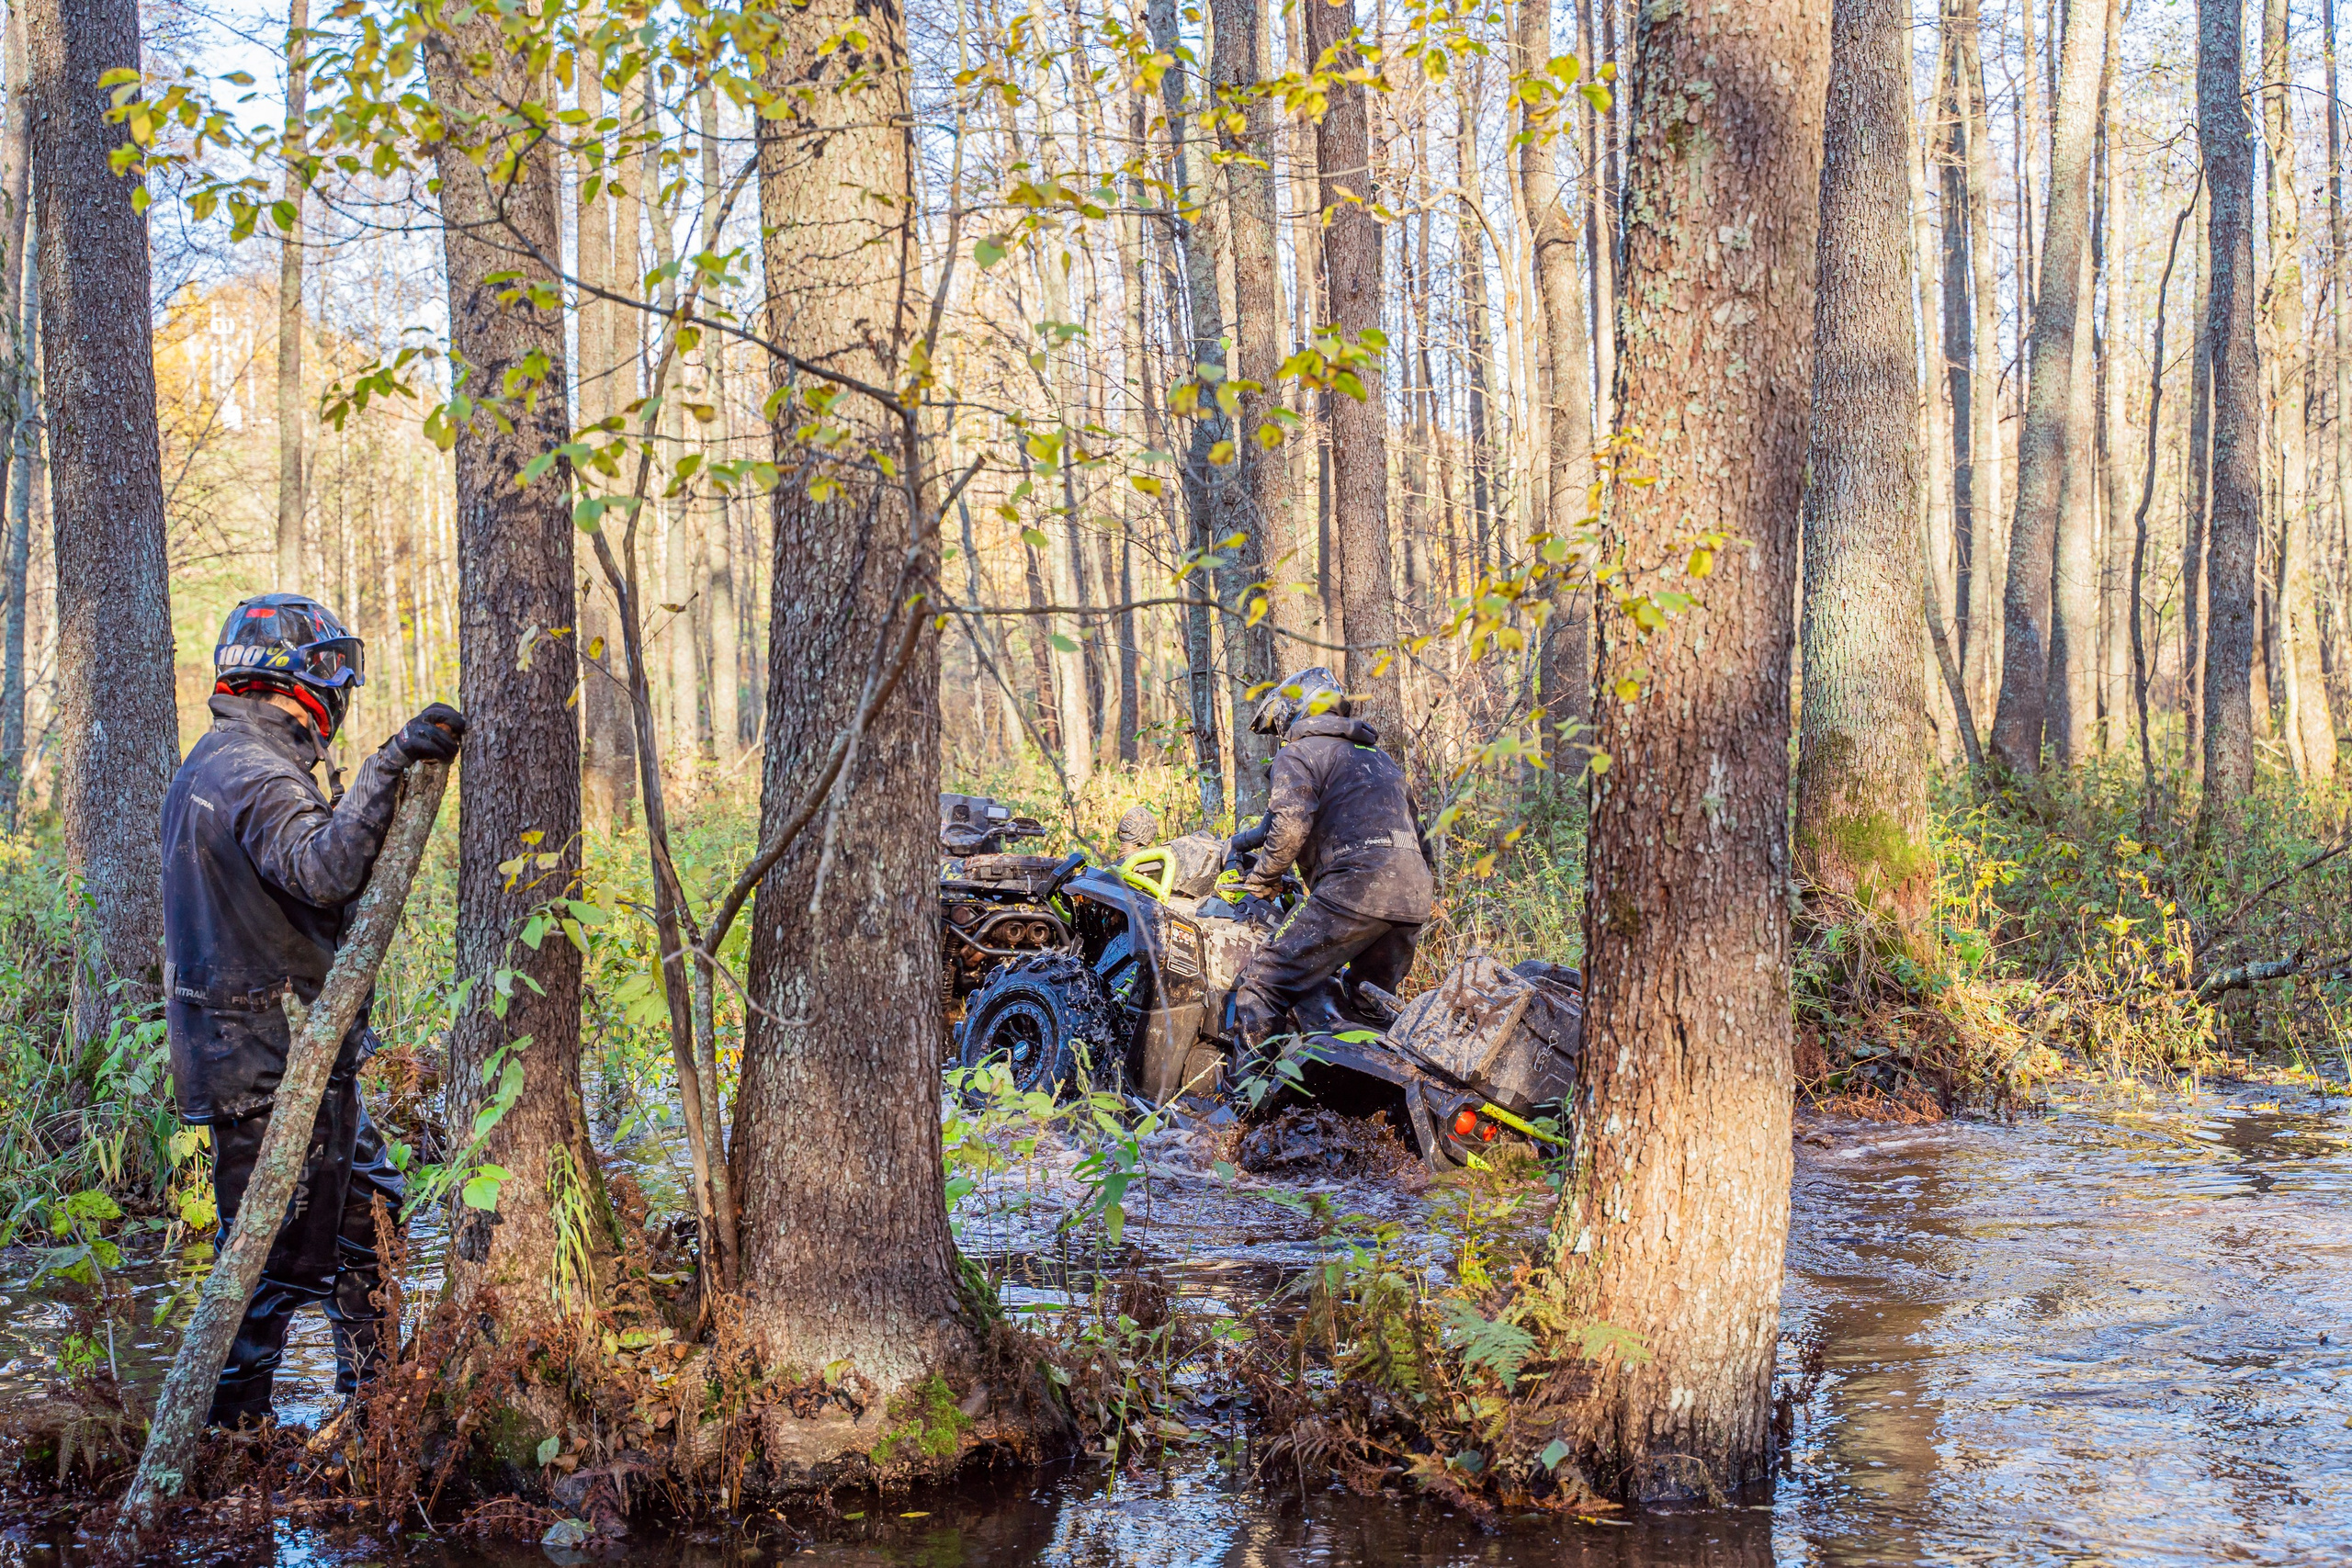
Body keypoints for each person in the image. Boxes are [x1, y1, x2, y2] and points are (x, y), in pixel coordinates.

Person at [163, 592, 466, 1426]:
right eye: (330, 667)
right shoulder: (253, 771)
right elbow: (323, 869)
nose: (340, 685)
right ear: (291, 678)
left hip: (277, 1054)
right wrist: (388, 764)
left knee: (373, 1208)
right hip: (268, 1065)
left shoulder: (225, 758)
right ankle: (232, 1447)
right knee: (267, 1265)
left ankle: (370, 1411)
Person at [1228, 668, 1432, 1050]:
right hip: (1413, 897)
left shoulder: (1298, 753)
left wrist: (1262, 880)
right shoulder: (1380, 759)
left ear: (1295, 711)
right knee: (1367, 1007)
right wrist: (1238, 843)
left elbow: (1290, 825)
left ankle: (1251, 1087)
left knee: (1264, 983)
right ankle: (1363, 1086)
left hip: (1356, 888)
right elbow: (1422, 840)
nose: (1279, 734)